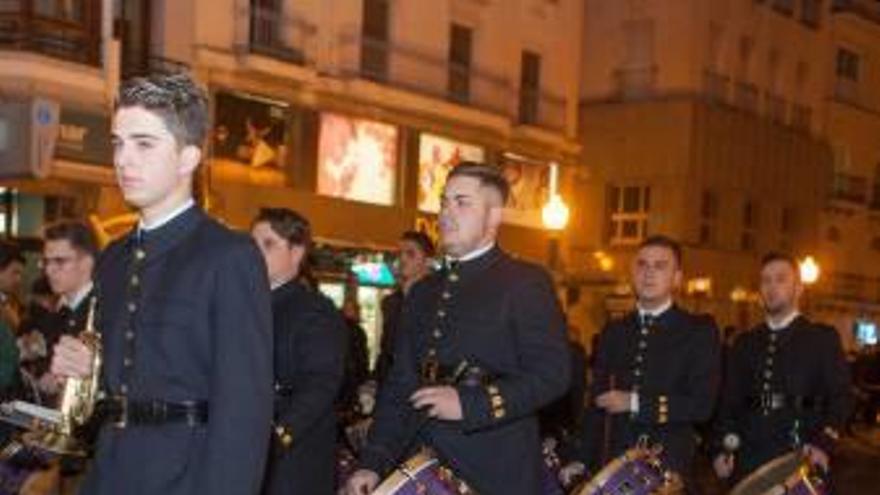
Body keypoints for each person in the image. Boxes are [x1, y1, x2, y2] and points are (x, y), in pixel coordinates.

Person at [50, 72, 273, 495]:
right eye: (118, 142)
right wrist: (86, 375)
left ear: (188, 157)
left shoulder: (229, 257)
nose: (123, 159)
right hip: (110, 472)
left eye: (144, 144)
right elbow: (118, 388)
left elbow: (244, 410)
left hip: (188, 477)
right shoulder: (114, 258)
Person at [345, 162, 570, 495]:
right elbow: (401, 383)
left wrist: (471, 404)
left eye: (462, 202)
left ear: (493, 216)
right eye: (444, 202)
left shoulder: (525, 282)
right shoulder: (423, 291)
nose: (447, 213)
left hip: (494, 465)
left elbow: (553, 374)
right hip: (421, 461)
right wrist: (372, 461)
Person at [567, 235, 721, 489]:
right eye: (642, 264)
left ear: (677, 278)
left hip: (666, 468)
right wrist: (580, 458)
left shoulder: (697, 331)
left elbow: (702, 406)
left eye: (660, 266)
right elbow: (597, 404)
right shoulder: (614, 332)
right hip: (612, 465)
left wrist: (635, 402)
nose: (649, 273)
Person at [712, 252, 851, 484]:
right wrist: (721, 448)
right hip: (747, 458)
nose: (771, 287)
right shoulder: (745, 342)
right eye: (765, 280)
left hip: (800, 452)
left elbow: (840, 398)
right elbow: (728, 402)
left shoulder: (821, 338)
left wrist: (823, 444)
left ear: (798, 289)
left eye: (780, 279)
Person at [250, 207, 347, 495]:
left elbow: (321, 385)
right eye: (251, 244)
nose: (255, 253)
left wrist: (279, 435)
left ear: (297, 253)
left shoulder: (315, 312)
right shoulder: (245, 306)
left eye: (268, 244)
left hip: (294, 458)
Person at [374, 230, 435, 385]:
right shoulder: (390, 302)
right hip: (390, 384)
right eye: (399, 253)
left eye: (410, 253)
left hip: (422, 385)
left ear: (428, 261)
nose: (402, 259)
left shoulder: (438, 301)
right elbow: (386, 349)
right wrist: (374, 379)